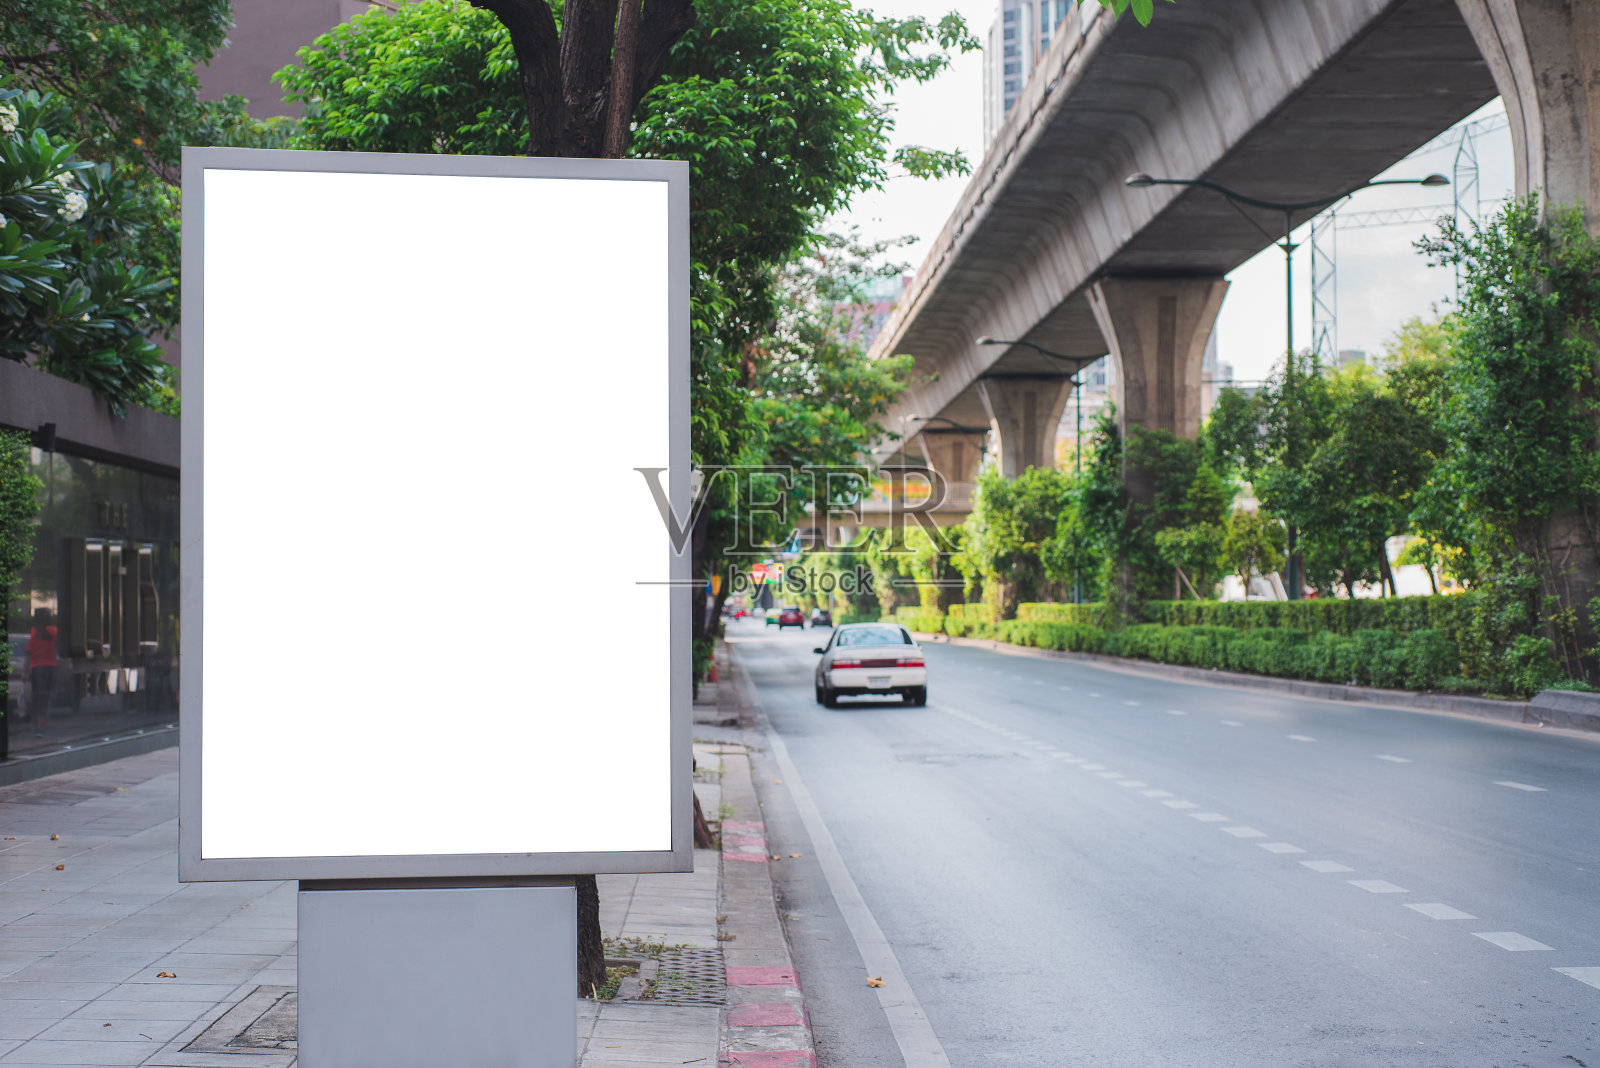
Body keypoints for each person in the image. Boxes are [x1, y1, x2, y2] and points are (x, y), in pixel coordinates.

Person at [25, 608, 58, 730]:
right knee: (47, 697)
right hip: (51, 668)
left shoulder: (34, 632)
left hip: (37, 668)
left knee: (38, 698)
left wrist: (25, 672)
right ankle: (42, 724)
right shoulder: (54, 631)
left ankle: (38, 725)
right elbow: (58, 649)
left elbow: (28, 654)